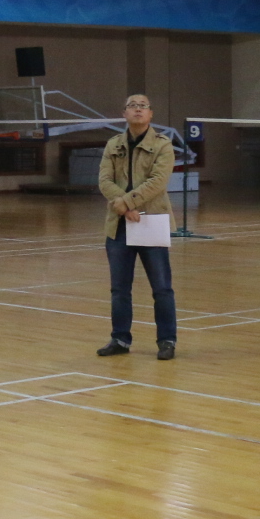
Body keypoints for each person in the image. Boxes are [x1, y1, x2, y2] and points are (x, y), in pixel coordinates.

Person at [96, 93, 177, 361]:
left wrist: (128, 202)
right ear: (124, 113)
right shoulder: (113, 145)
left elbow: (158, 181)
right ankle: (120, 338)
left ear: (151, 114)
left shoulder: (163, 145)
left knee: (162, 288)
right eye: (133, 106)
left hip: (150, 221)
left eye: (143, 106)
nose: (138, 110)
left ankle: (167, 340)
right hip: (119, 226)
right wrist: (123, 208)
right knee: (120, 289)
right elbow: (104, 180)